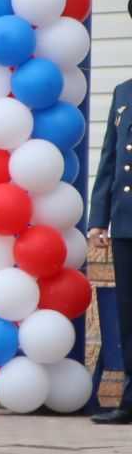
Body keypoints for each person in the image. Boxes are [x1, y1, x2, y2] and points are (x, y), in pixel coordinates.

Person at [90, 72, 132, 424]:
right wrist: (98, 218)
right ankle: (131, 400)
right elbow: (109, 159)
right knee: (128, 313)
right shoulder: (124, 91)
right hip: (127, 222)